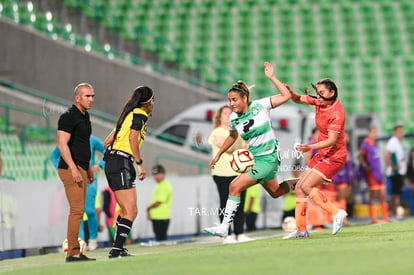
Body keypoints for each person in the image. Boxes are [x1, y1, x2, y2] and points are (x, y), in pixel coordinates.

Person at [204, 62, 297, 238]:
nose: (231, 104)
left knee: (234, 186)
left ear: (245, 98)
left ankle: (224, 227)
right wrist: (218, 154)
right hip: (257, 159)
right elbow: (232, 137)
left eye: (235, 100)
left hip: (268, 157)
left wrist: (271, 77)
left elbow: (286, 95)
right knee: (276, 192)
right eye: (229, 100)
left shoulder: (261, 105)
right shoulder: (233, 119)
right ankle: (304, 181)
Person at [283, 78, 348, 239]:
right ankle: (301, 229)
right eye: (317, 93)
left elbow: (332, 140)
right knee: (299, 188)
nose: (317, 96)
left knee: (305, 186)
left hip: (334, 156)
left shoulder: (337, 113)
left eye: (322, 93)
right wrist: (290, 93)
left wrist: (310, 147)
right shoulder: (320, 101)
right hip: (322, 154)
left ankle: (336, 212)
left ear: (332, 93)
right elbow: (298, 99)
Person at [103, 85, 154, 258]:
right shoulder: (140, 114)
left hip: (114, 162)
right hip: (122, 162)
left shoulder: (127, 115)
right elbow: (133, 137)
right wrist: (139, 163)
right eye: (153, 100)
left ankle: (118, 247)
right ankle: (116, 249)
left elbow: (107, 141)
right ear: (148, 102)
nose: (153, 104)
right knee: (130, 211)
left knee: (127, 211)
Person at [57, 82, 96, 262]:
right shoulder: (68, 116)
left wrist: (87, 168)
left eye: (92, 96)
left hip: (81, 167)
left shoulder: (85, 116)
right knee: (77, 210)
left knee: (79, 210)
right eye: (87, 96)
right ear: (77, 98)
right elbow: (62, 144)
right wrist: (73, 168)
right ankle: (72, 252)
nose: (91, 99)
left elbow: (83, 145)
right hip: (70, 168)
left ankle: (75, 251)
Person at [50, 135, 105, 250]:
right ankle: (81, 242)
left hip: (90, 179)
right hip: (74, 178)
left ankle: (93, 240)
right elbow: (54, 156)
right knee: (77, 210)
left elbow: (106, 150)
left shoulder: (92, 139)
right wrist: (62, 168)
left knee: (90, 210)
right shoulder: (67, 139)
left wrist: (101, 165)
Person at [207, 105, 251, 243]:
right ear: (220, 117)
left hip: (239, 171)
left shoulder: (237, 132)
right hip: (223, 173)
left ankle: (240, 233)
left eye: (230, 113)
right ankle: (226, 235)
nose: (228, 115)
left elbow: (246, 147)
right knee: (225, 202)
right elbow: (230, 148)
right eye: (225, 113)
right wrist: (236, 131)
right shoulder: (217, 132)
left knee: (240, 203)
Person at [358, 126, 389, 224]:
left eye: (376, 132)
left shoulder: (374, 144)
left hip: (378, 172)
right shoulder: (365, 143)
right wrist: (365, 166)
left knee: (383, 194)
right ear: (369, 133)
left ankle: (385, 217)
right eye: (373, 132)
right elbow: (360, 156)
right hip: (371, 173)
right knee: (373, 195)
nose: (375, 134)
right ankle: (373, 218)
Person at [384, 125, 407, 219]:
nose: (402, 134)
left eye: (402, 132)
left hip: (399, 171)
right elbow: (387, 154)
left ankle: (395, 211)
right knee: (395, 193)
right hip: (395, 172)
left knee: (397, 192)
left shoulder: (397, 142)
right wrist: (392, 166)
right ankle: (394, 213)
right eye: (400, 132)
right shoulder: (393, 141)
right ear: (394, 132)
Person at [146, 164, 173, 241]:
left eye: (158, 174)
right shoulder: (160, 185)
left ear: (163, 174)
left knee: (161, 239)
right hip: (157, 217)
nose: (156, 176)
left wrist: (148, 208)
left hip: (162, 217)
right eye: (154, 174)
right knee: (160, 238)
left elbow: (158, 202)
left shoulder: (165, 185)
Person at [332, 131, 355, 213]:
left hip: (347, 177)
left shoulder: (347, 149)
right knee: (340, 197)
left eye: (347, 136)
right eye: (345, 136)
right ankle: (336, 216)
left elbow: (349, 164)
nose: (347, 138)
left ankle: (343, 217)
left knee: (346, 197)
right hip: (340, 176)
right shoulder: (337, 148)